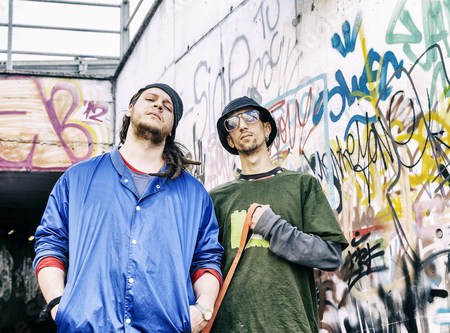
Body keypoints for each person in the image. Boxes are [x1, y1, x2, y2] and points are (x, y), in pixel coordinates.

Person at [33, 83, 223, 332]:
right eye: (151, 99)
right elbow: (51, 242)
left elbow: (206, 259)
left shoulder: (195, 194)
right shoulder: (77, 179)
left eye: (168, 107)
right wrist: (58, 304)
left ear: (171, 128)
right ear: (130, 109)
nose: (158, 105)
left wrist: (203, 310)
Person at [209, 96, 349, 332]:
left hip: (291, 325)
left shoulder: (301, 185)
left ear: (266, 129)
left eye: (250, 117)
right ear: (230, 141)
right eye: (232, 123)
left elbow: (330, 255)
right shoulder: (216, 199)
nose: (242, 125)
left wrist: (274, 228)